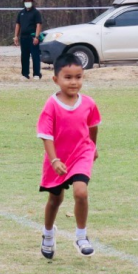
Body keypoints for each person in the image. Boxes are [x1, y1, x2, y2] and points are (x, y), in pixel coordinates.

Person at [38, 53, 100, 258]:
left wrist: (93, 147)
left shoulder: (89, 103)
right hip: (58, 158)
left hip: (81, 154)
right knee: (55, 200)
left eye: (78, 77)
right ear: (55, 79)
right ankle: (48, 234)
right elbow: (46, 135)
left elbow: (93, 127)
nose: (74, 82)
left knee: (81, 193)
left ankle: (81, 236)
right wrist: (54, 160)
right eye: (68, 77)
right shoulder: (52, 105)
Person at [16, 0, 44, 79]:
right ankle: (25, 74)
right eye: (26, 1)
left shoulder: (36, 13)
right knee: (24, 56)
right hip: (23, 38)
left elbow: (38, 25)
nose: (27, 2)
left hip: (32, 37)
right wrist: (16, 36)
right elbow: (18, 25)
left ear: (32, 2)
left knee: (35, 56)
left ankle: (36, 74)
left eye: (29, 1)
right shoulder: (21, 13)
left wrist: (36, 37)